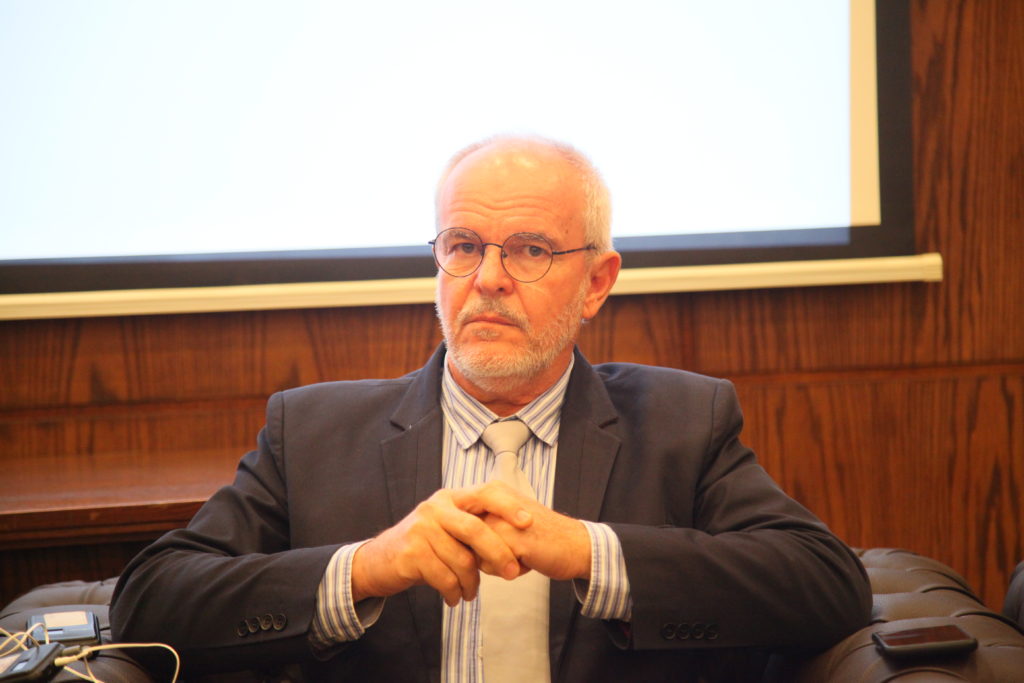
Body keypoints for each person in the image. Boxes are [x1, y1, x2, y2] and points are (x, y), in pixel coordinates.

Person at [110, 135, 872, 681]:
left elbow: (825, 585)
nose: (489, 278)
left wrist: (591, 551)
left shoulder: (682, 422)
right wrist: (364, 568)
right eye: (464, 245)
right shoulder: (311, 433)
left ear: (597, 283)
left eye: (531, 249)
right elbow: (151, 601)